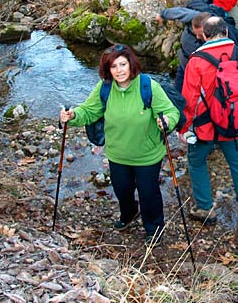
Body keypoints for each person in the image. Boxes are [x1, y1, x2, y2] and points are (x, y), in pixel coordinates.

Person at [59, 44, 180, 243]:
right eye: (114, 66)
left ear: (131, 64)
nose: (119, 70)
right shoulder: (104, 88)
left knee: (148, 192)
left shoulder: (147, 86)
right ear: (108, 69)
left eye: (123, 64)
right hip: (117, 154)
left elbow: (171, 112)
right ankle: (129, 214)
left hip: (147, 155)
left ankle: (154, 228)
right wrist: (72, 116)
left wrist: (166, 122)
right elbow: (89, 112)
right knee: (122, 189)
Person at [180, 17, 238, 224]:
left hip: (204, 127)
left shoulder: (196, 61)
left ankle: (205, 209)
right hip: (235, 124)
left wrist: (183, 128)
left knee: (197, 163)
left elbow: (189, 100)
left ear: (204, 36)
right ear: (226, 32)